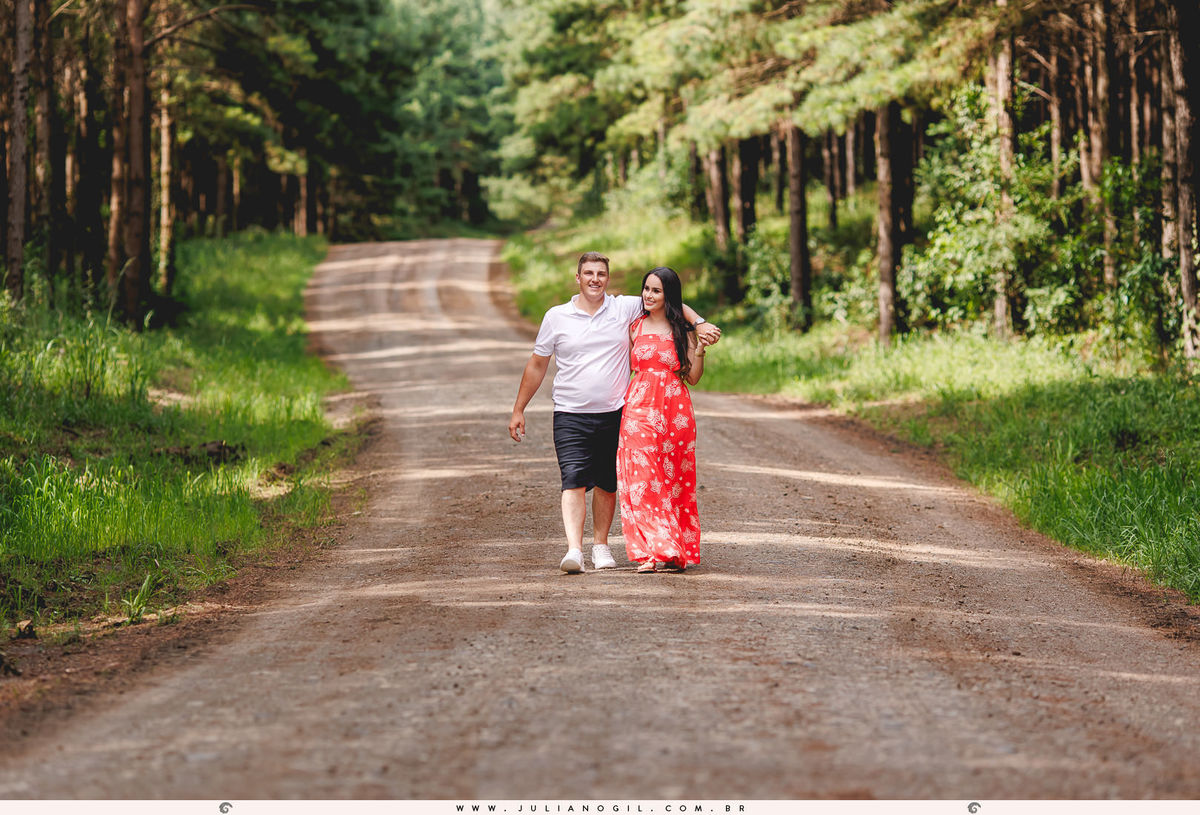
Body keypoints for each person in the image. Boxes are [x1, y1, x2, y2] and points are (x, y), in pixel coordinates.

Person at [508, 252, 720, 574]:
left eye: (601, 274)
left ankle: (603, 546)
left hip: (619, 411)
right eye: (588, 273)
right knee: (575, 479)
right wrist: (519, 408)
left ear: (608, 279)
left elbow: (675, 303)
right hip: (574, 411)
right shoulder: (558, 316)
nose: (595, 279)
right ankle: (575, 550)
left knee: (611, 483)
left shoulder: (625, 309)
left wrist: (700, 323)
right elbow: (537, 364)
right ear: (577, 277)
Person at [617, 266, 709, 573]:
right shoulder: (634, 326)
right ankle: (653, 549)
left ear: (668, 295)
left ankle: (672, 551)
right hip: (639, 409)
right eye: (646, 289)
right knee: (641, 479)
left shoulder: (682, 330)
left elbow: (693, 378)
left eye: (656, 290)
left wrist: (700, 350)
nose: (648, 295)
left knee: (674, 481)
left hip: (675, 413)